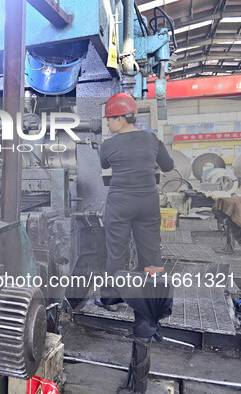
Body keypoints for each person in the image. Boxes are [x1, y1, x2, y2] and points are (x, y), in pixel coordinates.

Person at [98, 92, 174, 307]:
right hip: (147, 202)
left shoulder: (109, 145)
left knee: (116, 252)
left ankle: (111, 297)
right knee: (151, 251)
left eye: (109, 120)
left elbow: (104, 165)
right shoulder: (152, 140)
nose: (109, 125)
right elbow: (168, 166)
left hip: (120, 202)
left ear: (120, 118)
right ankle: (153, 298)